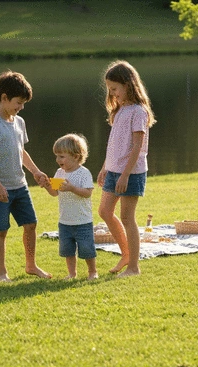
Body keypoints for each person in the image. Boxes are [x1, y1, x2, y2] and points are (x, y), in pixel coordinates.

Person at [0, 70, 52, 282]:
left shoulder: (19, 123)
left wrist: (36, 171)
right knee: (1, 231)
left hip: (20, 186)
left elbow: (21, 151)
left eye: (23, 104)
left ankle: (31, 265)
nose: (20, 108)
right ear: (4, 98)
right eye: (18, 103)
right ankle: (2, 273)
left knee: (31, 224)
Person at [97, 60, 156, 278]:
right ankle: (126, 254)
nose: (112, 94)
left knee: (127, 218)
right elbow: (114, 143)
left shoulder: (138, 112)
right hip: (114, 170)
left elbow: (138, 147)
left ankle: (133, 267)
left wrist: (124, 175)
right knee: (104, 211)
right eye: (109, 89)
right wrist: (105, 167)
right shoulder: (120, 109)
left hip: (130, 173)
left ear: (128, 85)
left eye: (115, 89)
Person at [44, 133, 98, 280]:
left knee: (87, 249)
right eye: (57, 156)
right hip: (65, 221)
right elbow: (55, 193)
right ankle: (72, 273)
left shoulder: (84, 173)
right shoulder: (59, 172)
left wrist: (72, 188)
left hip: (82, 221)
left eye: (62, 156)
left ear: (75, 156)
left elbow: (87, 193)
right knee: (67, 250)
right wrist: (47, 186)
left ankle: (92, 272)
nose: (58, 160)